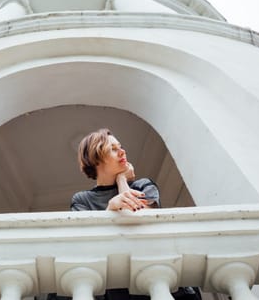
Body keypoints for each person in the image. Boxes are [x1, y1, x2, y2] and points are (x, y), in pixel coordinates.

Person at [70, 128, 201, 300]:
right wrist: (111, 209)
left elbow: (141, 219)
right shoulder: (82, 200)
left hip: (165, 278)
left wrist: (122, 180)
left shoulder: (143, 185)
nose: (122, 151)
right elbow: (86, 244)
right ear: (95, 158)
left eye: (121, 146)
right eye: (113, 149)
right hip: (118, 289)